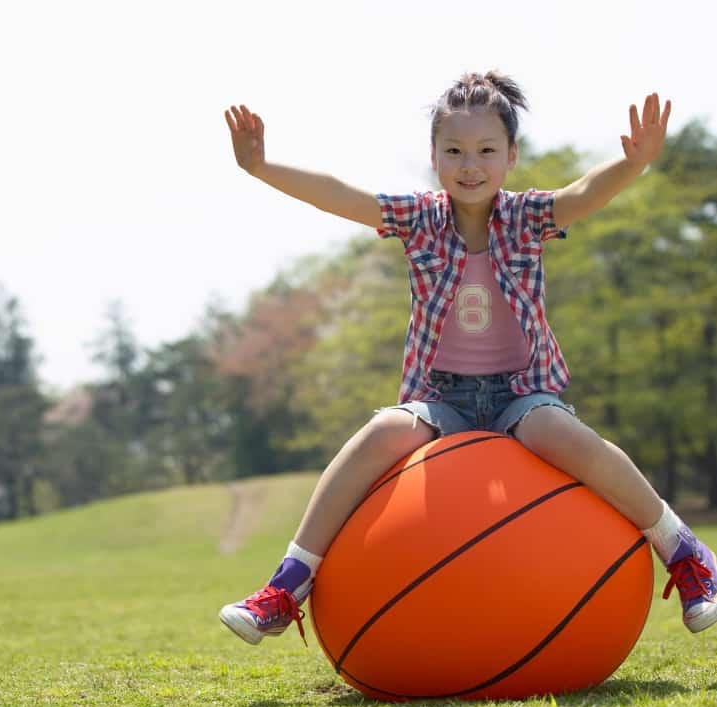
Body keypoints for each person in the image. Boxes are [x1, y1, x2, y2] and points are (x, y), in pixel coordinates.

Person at [218, 71, 717, 646]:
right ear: (433, 157)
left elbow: (582, 195)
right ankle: (286, 587)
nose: (469, 165)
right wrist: (261, 167)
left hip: (521, 393)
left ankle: (684, 552)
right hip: (442, 396)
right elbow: (339, 194)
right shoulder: (419, 220)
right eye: (453, 151)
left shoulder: (528, 218)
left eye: (486, 151)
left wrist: (634, 164)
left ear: (511, 156)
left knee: (558, 429)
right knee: (379, 432)